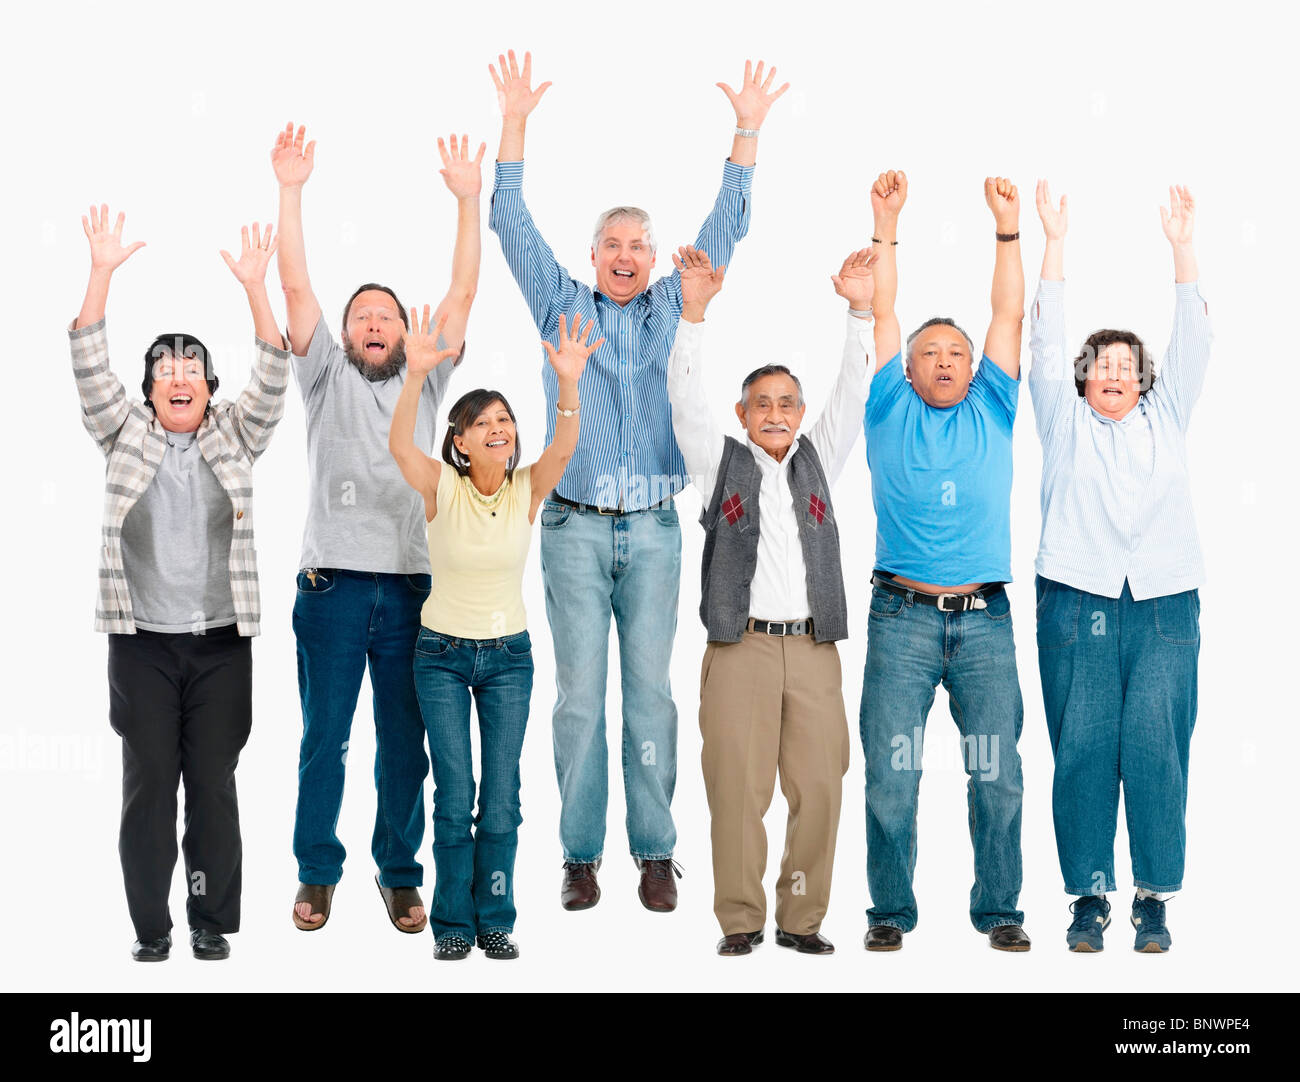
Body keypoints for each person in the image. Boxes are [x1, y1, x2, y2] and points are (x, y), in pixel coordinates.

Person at [487, 49, 789, 913]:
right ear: (593, 255)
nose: (625, 255)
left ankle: (655, 852)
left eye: (638, 246)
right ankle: (580, 856)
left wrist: (747, 131)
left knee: (649, 696)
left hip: (654, 529)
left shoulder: (670, 306)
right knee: (580, 696)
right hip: (574, 526)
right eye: (612, 245)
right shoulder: (560, 303)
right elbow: (510, 219)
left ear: (655, 260)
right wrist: (514, 125)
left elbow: (725, 230)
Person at [274, 123, 480, 934]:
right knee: (325, 741)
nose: (370, 322)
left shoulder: (426, 383)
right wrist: (291, 191)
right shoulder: (323, 377)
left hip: (409, 592)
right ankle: (317, 872)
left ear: (405, 333)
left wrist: (468, 202)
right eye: (360, 314)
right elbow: (295, 291)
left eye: (384, 315)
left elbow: (461, 296)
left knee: (406, 745)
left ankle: (399, 874)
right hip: (328, 587)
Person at [70, 206, 289, 961]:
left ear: (207, 385)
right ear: (150, 390)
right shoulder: (122, 431)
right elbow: (89, 365)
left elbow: (273, 372)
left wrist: (256, 288)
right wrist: (101, 272)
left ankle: (206, 920)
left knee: (213, 786)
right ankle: (152, 929)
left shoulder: (234, 434)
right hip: (142, 648)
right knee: (149, 789)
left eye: (191, 366)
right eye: (164, 369)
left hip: (222, 644)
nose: (178, 376)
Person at [668, 246, 875, 956]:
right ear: (744, 412)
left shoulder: (820, 455)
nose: (777, 413)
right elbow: (685, 401)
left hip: (814, 648)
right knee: (736, 792)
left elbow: (855, 389)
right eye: (764, 404)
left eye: (789, 403)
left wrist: (858, 310)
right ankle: (740, 920)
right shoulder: (717, 463)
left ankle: (801, 919)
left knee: (820, 786)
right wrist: (693, 314)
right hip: (740, 647)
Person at [1029, 182, 1209, 954]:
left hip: (1165, 602)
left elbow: (1196, 341)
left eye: (1126, 365)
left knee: (1156, 745)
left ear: (1144, 379)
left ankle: (1153, 895)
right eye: (1100, 363)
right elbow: (1042, 344)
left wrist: (1181, 249)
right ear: (1083, 378)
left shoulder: (1166, 417)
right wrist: (1055, 244)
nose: (1113, 372)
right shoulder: (1064, 422)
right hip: (1076, 599)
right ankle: (1088, 896)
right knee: (1084, 747)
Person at [390, 310, 602, 960]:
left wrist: (568, 384)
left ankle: (496, 918)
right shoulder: (442, 487)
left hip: (509, 658)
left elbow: (564, 448)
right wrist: (417, 374)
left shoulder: (524, 489)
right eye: (483, 423)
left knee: (502, 796)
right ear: (460, 440)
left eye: (504, 421)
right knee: (456, 793)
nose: (498, 430)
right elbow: (400, 446)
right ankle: (453, 921)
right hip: (442, 658)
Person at [859, 170, 1033, 952]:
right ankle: (890, 911)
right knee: (894, 777)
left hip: (984, 626)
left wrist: (1007, 227)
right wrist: (885, 225)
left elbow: (1007, 312)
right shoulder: (888, 405)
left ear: (973, 368)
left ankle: (1000, 910)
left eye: (954, 353)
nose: (941, 360)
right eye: (927, 353)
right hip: (902, 623)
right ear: (909, 369)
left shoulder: (995, 406)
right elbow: (886, 310)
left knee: (995, 777)